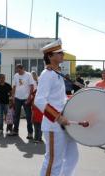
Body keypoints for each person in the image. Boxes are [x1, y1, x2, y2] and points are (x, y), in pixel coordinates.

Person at [35, 39, 78, 176]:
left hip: (64, 123)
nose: (62, 55)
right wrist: (58, 118)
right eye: (59, 53)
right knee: (53, 161)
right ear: (50, 56)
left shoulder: (56, 74)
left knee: (72, 157)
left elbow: (59, 99)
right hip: (54, 125)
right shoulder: (47, 75)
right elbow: (39, 101)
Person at [10, 64, 36, 139]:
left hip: (26, 99)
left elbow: (32, 86)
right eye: (17, 70)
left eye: (19, 70)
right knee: (16, 115)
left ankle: (30, 133)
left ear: (23, 69)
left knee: (28, 116)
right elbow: (14, 86)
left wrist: (29, 98)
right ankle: (15, 130)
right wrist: (13, 97)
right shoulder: (16, 75)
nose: (18, 72)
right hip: (17, 98)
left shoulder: (28, 75)